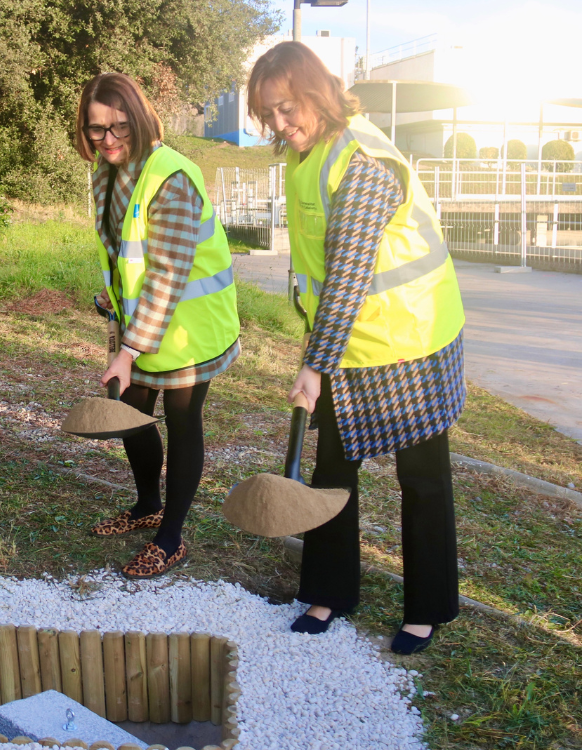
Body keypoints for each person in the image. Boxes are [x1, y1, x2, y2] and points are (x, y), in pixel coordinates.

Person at [246, 42, 467, 655]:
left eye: (288, 108)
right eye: (270, 114)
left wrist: (313, 366)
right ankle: (330, 591)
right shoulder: (306, 153)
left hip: (411, 341)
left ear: (317, 93)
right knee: (333, 469)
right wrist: (320, 357)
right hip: (348, 343)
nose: (281, 125)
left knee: (422, 477)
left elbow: (347, 274)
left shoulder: (363, 160)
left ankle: (427, 607)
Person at [75, 73, 240, 579]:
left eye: (120, 126)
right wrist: (114, 297)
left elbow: (168, 274)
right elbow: (124, 247)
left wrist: (127, 351)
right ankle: (147, 503)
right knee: (131, 411)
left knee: (183, 422)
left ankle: (171, 536)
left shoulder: (172, 177)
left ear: (142, 119)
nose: (109, 140)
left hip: (191, 327)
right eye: (97, 129)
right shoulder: (107, 172)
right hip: (142, 320)